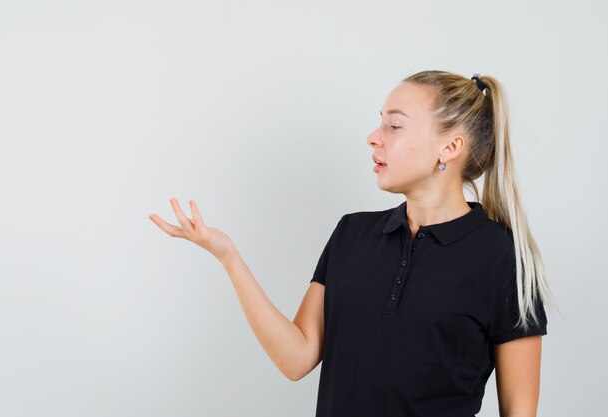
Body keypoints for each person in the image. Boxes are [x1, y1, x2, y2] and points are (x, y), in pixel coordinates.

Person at [149, 69, 556, 417]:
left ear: (449, 147)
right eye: (380, 123)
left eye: (394, 126)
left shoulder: (503, 257)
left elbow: (520, 412)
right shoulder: (352, 234)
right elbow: (296, 359)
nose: (373, 137)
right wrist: (229, 257)